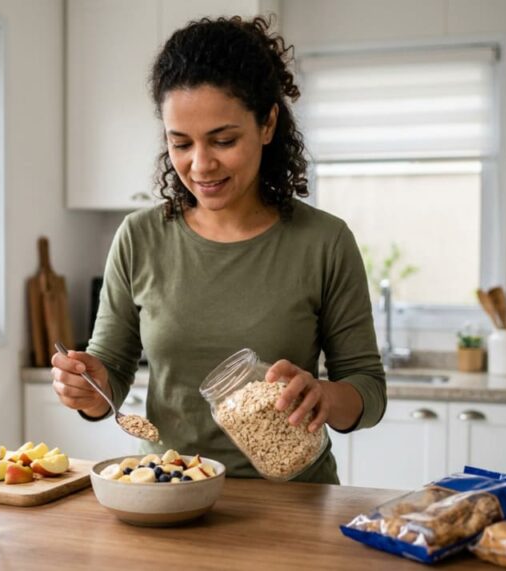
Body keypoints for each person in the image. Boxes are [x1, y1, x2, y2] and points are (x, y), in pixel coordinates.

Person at [51, 16, 385, 484]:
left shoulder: (324, 241)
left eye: (223, 140)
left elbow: (368, 388)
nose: (200, 164)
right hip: (168, 491)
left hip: (293, 503)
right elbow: (111, 367)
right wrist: (89, 387)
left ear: (268, 123)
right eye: (180, 143)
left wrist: (325, 398)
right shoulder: (139, 237)